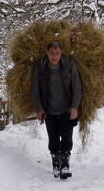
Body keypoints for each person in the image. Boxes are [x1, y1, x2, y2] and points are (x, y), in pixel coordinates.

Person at [31, 42, 82, 179]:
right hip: (48, 110)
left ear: (61, 53)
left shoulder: (68, 65)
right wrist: (39, 109)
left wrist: (74, 107)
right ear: (47, 53)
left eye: (57, 53)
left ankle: (65, 166)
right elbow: (35, 89)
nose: (55, 57)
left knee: (66, 136)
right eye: (52, 53)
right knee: (53, 138)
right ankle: (55, 165)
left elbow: (77, 86)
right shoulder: (40, 66)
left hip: (66, 108)